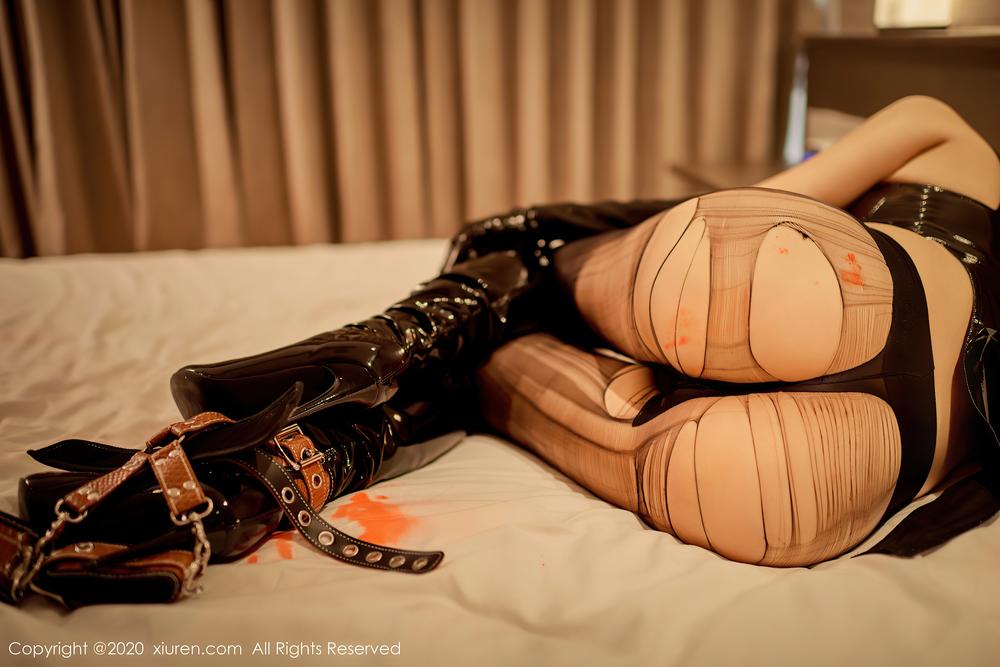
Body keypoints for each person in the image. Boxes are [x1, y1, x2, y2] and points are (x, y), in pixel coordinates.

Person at [26, 96, 997, 573]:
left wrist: (616, 248)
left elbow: (767, 197)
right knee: (492, 376)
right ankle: (277, 471)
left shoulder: (959, 134)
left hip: (854, 283)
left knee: (534, 268)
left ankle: (376, 348)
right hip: (892, 465)